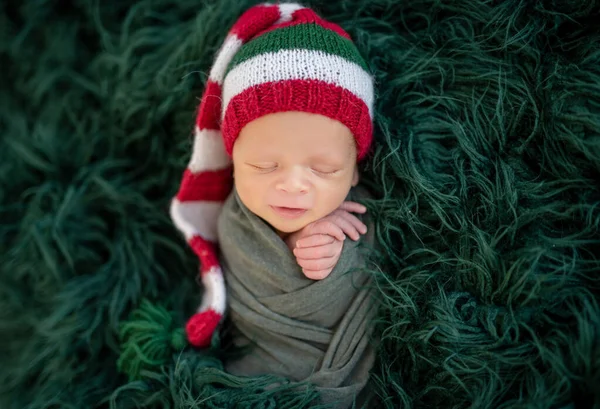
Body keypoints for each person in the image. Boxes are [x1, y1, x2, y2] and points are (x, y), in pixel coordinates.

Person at [170, 2, 377, 407]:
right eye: (263, 166)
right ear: (233, 162)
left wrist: (341, 254)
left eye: (324, 169)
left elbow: (375, 278)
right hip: (253, 380)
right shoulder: (233, 222)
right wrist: (295, 238)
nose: (294, 185)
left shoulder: (364, 213)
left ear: (354, 172)